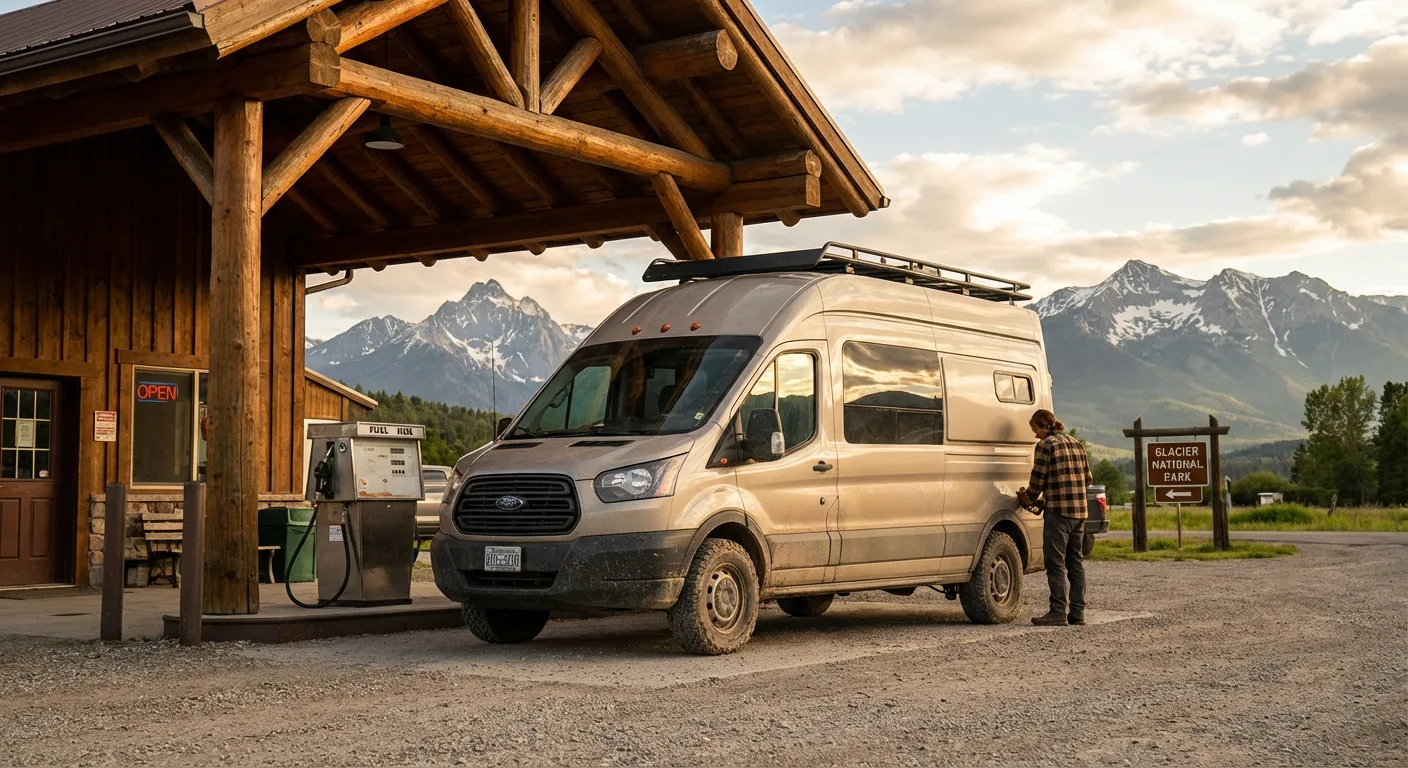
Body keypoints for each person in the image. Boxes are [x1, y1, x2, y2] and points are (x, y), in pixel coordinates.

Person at [1018, 409, 1092, 627]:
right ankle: (1078, 613)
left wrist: (1027, 498)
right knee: (1075, 561)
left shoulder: (1045, 446)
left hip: (1059, 514)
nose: (1035, 435)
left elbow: (1037, 481)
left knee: (1055, 562)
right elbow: (1087, 479)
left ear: (1042, 425)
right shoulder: (1076, 444)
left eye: (1035, 429)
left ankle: (1058, 611)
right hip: (1079, 513)